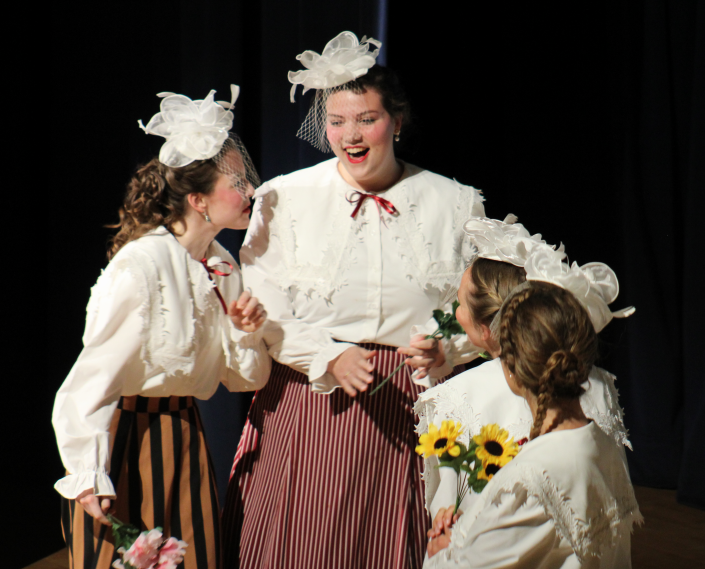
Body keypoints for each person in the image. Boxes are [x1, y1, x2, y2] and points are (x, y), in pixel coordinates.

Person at [223, 32, 484, 569]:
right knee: (309, 540)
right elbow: (263, 301)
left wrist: (447, 353)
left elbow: (476, 305)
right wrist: (327, 356)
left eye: (366, 118)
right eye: (337, 121)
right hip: (313, 390)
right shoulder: (284, 197)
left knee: (396, 541)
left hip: (411, 397)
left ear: (397, 121)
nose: (350, 134)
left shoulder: (455, 201)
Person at [52, 88, 271, 569]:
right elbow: (90, 380)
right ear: (198, 199)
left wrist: (244, 329)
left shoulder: (221, 264)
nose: (251, 190)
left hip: (183, 437)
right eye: (237, 180)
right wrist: (89, 472)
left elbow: (245, 379)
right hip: (128, 440)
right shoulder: (143, 265)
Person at [415, 215, 634, 518]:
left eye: (461, 305)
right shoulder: (593, 381)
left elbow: (447, 507)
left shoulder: (454, 395)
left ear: (487, 328)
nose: (457, 314)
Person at [424, 280, 642, 568]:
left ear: (512, 369)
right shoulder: (603, 444)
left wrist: (441, 552)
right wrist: (471, 531)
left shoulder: (530, 480)